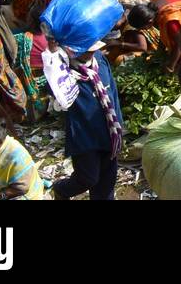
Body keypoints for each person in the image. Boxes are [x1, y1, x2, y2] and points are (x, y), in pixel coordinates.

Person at [48, 42, 124, 201]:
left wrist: (118, 125)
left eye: (93, 49)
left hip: (108, 131)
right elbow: (54, 84)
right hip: (84, 135)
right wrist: (53, 52)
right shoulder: (63, 69)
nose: (91, 53)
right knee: (88, 178)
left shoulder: (100, 61)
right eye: (86, 50)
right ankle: (61, 189)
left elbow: (112, 93)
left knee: (106, 183)